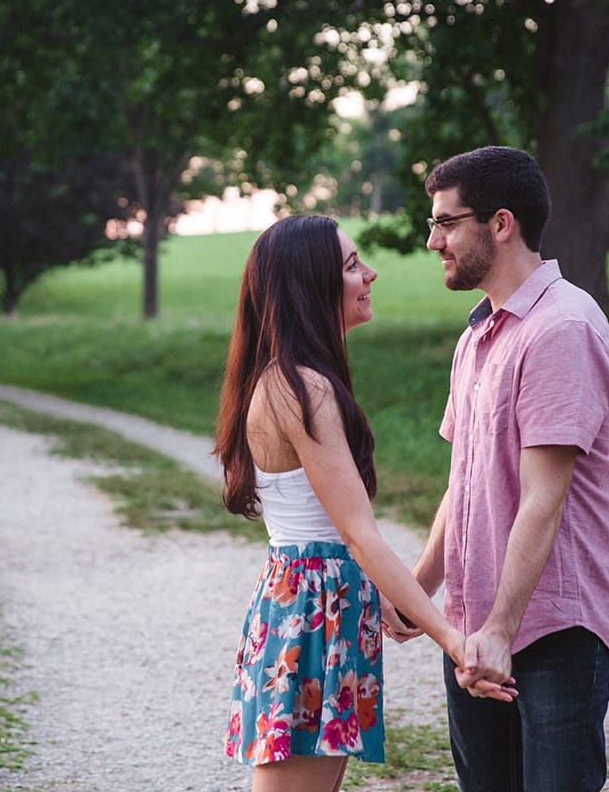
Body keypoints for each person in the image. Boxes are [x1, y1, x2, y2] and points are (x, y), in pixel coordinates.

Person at [215, 215, 515, 792]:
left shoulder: (297, 379)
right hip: (311, 611)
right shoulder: (301, 388)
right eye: (352, 265)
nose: (369, 273)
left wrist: (392, 598)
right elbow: (358, 534)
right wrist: (451, 640)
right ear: (312, 285)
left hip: (317, 604)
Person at [412, 146, 609, 792]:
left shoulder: (560, 326)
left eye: (446, 222)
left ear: (500, 223)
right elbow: (465, 482)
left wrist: (503, 630)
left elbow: (543, 498)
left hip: (552, 629)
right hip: (478, 628)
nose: (433, 241)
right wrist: (419, 591)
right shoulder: (477, 335)